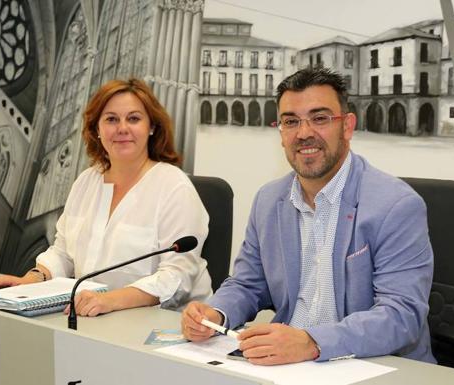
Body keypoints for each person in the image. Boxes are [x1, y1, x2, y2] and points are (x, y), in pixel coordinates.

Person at [181, 67, 435, 365]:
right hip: (290, 365)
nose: (304, 133)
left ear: (348, 126)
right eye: (291, 122)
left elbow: (401, 315)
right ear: (281, 133)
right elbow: (248, 284)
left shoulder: (395, 205)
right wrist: (215, 313)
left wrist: (312, 343)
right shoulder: (269, 199)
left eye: (320, 118)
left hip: (371, 363)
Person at [0, 78, 212, 316]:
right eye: (111, 119)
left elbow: (177, 277)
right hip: (92, 317)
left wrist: (110, 300)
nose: (122, 128)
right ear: (97, 130)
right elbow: (63, 253)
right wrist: (29, 281)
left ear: (151, 127)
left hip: (167, 327)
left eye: (133, 118)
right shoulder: (86, 182)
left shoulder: (174, 188)